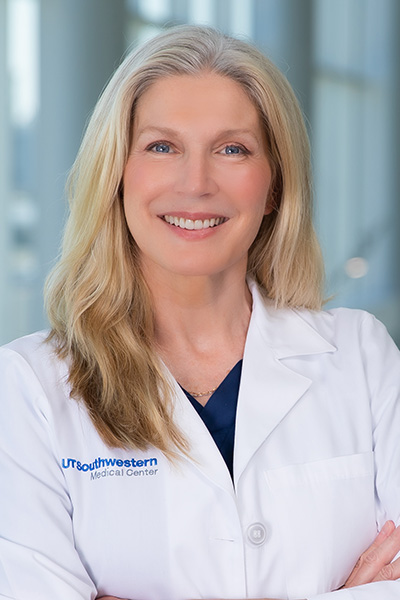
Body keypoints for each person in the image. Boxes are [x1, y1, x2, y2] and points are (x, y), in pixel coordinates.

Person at [0, 24, 400, 600]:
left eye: (232, 149)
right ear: (116, 174)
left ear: (272, 188)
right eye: (162, 146)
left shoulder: (361, 357)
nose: (196, 182)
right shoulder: (29, 389)